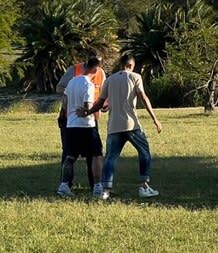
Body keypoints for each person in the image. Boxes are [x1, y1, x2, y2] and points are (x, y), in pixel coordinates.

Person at [78, 53, 163, 200]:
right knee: (144, 153)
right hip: (131, 125)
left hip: (113, 126)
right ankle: (144, 186)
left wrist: (88, 112)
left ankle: (105, 190)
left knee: (110, 158)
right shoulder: (135, 77)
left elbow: (99, 102)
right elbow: (143, 97)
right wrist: (155, 119)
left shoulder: (109, 80)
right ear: (130, 65)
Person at [56, 49, 106, 190]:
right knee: (95, 154)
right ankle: (97, 186)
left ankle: (64, 186)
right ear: (94, 65)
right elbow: (86, 106)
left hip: (74, 121)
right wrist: (87, 110)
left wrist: (104, 105)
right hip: (85, 121)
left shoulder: (73, 82)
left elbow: (103, 94)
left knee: (70, 155)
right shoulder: (81, 77)